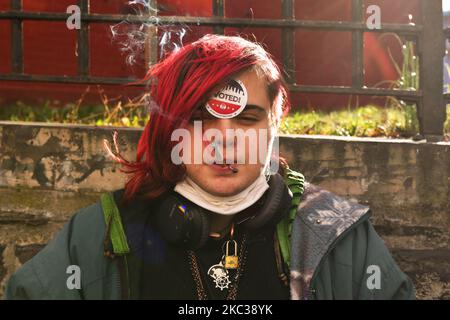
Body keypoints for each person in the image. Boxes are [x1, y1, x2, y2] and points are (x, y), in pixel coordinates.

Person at [5, 34, 415, 300]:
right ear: (171, 128)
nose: (224, 140)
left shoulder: (340, 239)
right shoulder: (97, 236)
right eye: (200, 119)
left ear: (274, 127)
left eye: (248, 118)